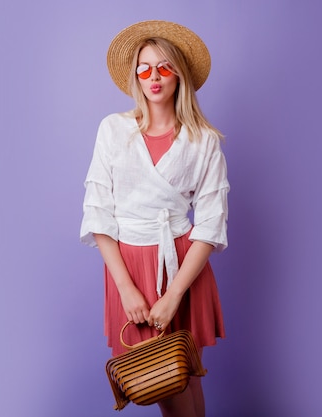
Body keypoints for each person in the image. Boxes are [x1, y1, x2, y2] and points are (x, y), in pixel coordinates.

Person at [80, 20, 229, 417]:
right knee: (163, 379)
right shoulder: (114, 130)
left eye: (163, 67)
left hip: (182, 268)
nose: (153, 77)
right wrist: (127, 288)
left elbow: (211, 226)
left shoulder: (203, 140)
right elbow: (99, 214)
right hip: (130, 269)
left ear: (179, 72)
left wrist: (175, 294)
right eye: (144, 68)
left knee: (184, 378)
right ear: (135, 76)